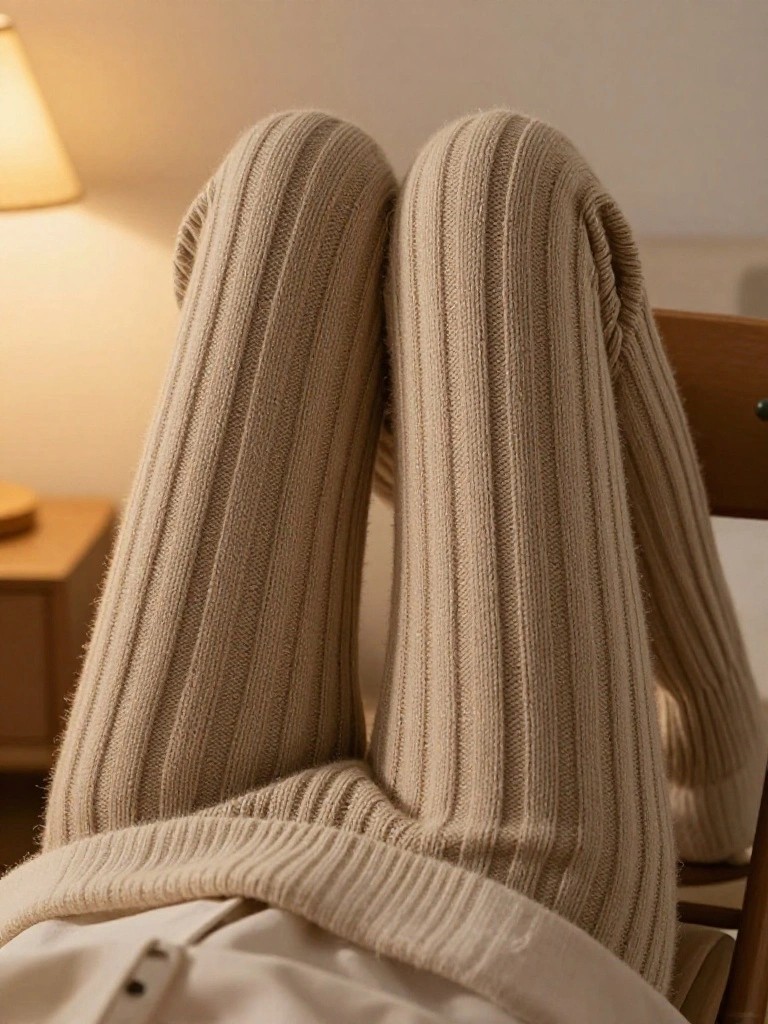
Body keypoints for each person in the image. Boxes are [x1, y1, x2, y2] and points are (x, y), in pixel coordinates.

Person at [0, 109, 763, 1024]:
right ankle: (711, 738)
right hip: (483, 951)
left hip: (104, 900)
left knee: (292, 170)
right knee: (502, 177)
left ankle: (408, 412)